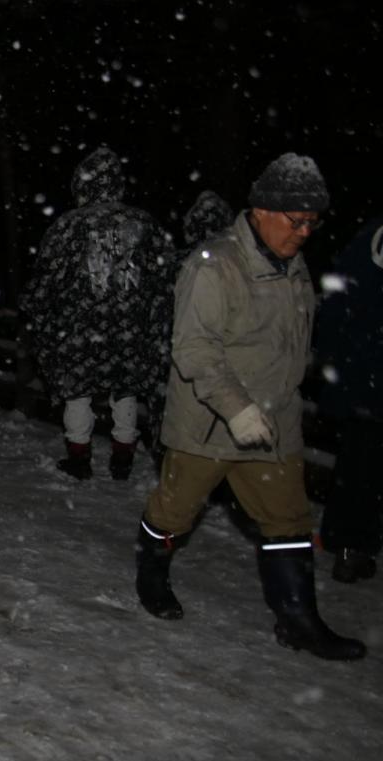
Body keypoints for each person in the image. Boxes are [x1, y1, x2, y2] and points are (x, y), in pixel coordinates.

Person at [134, 153, 365, 661]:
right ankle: (151, 569)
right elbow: (193, 348)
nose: (305, 232)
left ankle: (298, 618)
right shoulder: (213, 267)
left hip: (275, 422)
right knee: (175, 511)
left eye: (313, 222)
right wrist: (237, 408)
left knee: (289, 522)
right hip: (209, 424)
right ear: (260, 210)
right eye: (295, 220)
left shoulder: (295, 267)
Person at [20, 147, 173, 480]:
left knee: (77, 389)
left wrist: (37, 312)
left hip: (79, 329)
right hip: (130, 329)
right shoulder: (144, 224)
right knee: (126, 389)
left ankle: (79, 456)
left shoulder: (67, 226)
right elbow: (165, 279)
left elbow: (46, 278)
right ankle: (122, 457)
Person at [314, 212, 383, 583]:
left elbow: (336, 298)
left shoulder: (367, 238)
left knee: (357, 464)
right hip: (369, 375)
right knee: (365, 466)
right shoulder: (371, 240)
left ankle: (345, 542)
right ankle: (353, 546)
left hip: (360, 374)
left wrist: (333, 360)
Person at [146, 190, 236, 462]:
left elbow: (155, 312)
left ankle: (170, 468)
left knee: (171, 424)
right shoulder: (234, 268)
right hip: (214, 363)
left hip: (174, 360)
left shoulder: (176, 263)